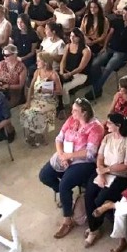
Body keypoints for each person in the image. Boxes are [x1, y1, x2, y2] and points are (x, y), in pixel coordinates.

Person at [39, 98, 104, 239]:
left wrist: (69, 156)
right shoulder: (71, 120)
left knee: (65, 184)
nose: (72, 112)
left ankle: (67, 220)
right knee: (44, 175)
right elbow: (59, 139)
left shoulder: (95, 128)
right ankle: (66, 198)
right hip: (65, 155)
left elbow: (90, 153)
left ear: (84, 112)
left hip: (84, 163)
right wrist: (62, 155)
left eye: (75, 110)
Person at [83, 113, 127, 247]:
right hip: (103, 171)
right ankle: (94, 227)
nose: (106, 125)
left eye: (109, 123)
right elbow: (100, 157)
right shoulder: (107, 138)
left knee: (100, 200)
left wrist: (106, 170)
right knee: (89, 194)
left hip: (120, 176)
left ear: (118, 126)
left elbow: (126, 165)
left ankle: (94, 228)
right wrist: (101, 174)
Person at [91, 5, 127, 97]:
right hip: (110, 48)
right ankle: (95, 84)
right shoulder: (117, 22)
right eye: (123, 13)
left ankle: (96, 90)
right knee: (95, 63)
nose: (124, 16)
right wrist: (104, 46)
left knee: (108, 68)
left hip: (122, 52)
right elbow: (110, 34)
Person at [19, 54, 62, 146]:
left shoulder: (53, 75)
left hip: (49, 101)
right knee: (25, 111)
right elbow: (31, 87)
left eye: (38, 61)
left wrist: (48, 90)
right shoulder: (37, 72)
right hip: (37, 99)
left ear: (45, 62)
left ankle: (38, 134)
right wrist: (28, 102)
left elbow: (60, 91)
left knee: (35, 113)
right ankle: (33, 133)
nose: (36, 62)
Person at [59, 29, 92, 107]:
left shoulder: (86, 50)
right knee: (55, 82)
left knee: (64, 88)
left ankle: (65, 105)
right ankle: (58, 102)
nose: (72, 38)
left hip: (80, 74)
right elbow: (63, 61)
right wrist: (61, 72)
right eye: (71, 36)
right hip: (67, 71)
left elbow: (81, 68)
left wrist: (69, 74)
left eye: (74, 36)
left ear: (79, 37)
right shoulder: (68, 46)